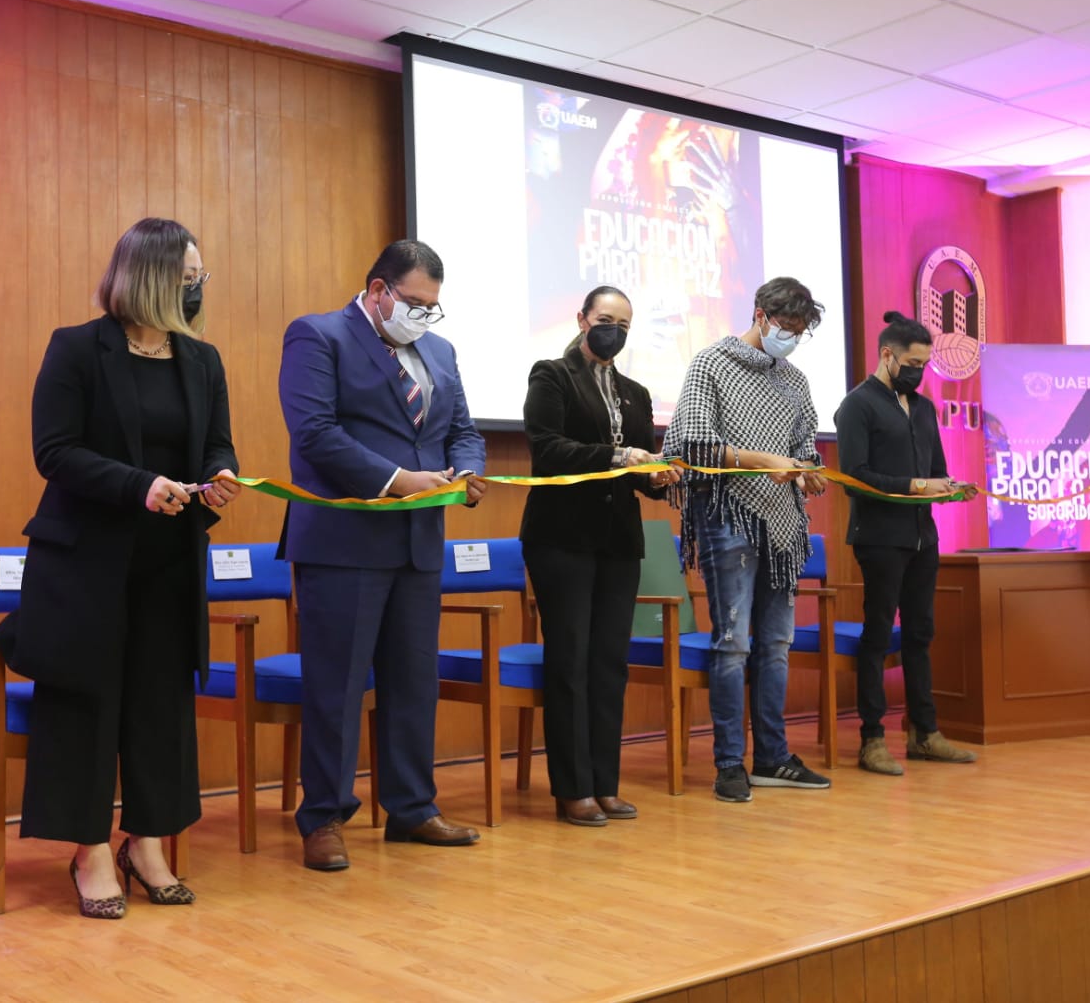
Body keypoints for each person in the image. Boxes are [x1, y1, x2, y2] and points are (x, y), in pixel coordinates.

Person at [6, 217, 242, 919]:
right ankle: (88, 850)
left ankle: (146, 842)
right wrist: (137, 485)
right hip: (85, 562)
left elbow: (216, 446)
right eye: (188, 277)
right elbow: (55, 451)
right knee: (87, 705)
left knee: (159, 707)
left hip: (169, 560)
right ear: (152, 278)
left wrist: (219, 475)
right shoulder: (77, 349)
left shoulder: (203, 361)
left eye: (201, 277)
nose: (199, 288)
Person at [279, 239, 488, 871]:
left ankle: (412, 808)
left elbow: (464, 432)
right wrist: (397, 480)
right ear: (378, 291)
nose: (424, 316)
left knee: (413, 683)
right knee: (337, 687)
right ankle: (325, 817)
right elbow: (315, 434)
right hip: (344, 543)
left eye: (433, 307)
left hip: (419, 543)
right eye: (414, 303)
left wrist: (469, 474)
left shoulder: (440, 351)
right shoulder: (317, 336)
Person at [661, 277, 832, 803]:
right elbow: (690, 446)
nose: (790, 338)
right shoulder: (712, 363)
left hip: (782, 525)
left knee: (777, 646)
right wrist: (761, 461)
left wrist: (808, 472)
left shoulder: (796, 381)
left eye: (799, 332)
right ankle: (729, 762)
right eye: (784, 327)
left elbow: (805, 447)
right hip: (727, 516)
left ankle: (774, 758)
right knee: (732, 644)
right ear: (760, 314)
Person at [519, 286, 680, 826]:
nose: (614, 330)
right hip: (561, 537)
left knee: (610, 663)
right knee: (569, 662)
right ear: (583, 319)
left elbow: (641, 475)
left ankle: (605, 783)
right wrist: (620, 454)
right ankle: (572, 788)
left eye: (624, 324)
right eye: (606, 319)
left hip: (617, 541)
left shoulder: (635, 391)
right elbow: (547, 450)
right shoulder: (551, 375)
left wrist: (659, 477)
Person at [835, 311, 977, 776]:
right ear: (887, 355)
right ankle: (872, 739)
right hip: (879, 538)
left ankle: (924, 733)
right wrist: (916, 487)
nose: (919, 371)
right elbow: (854, 479)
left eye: (925, 364)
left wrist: (951, 487)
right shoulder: (857, 405)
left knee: (920, 634)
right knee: (877, 636)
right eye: (913, 363)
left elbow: (934, 470)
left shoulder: (922, 407)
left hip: (922, 536)